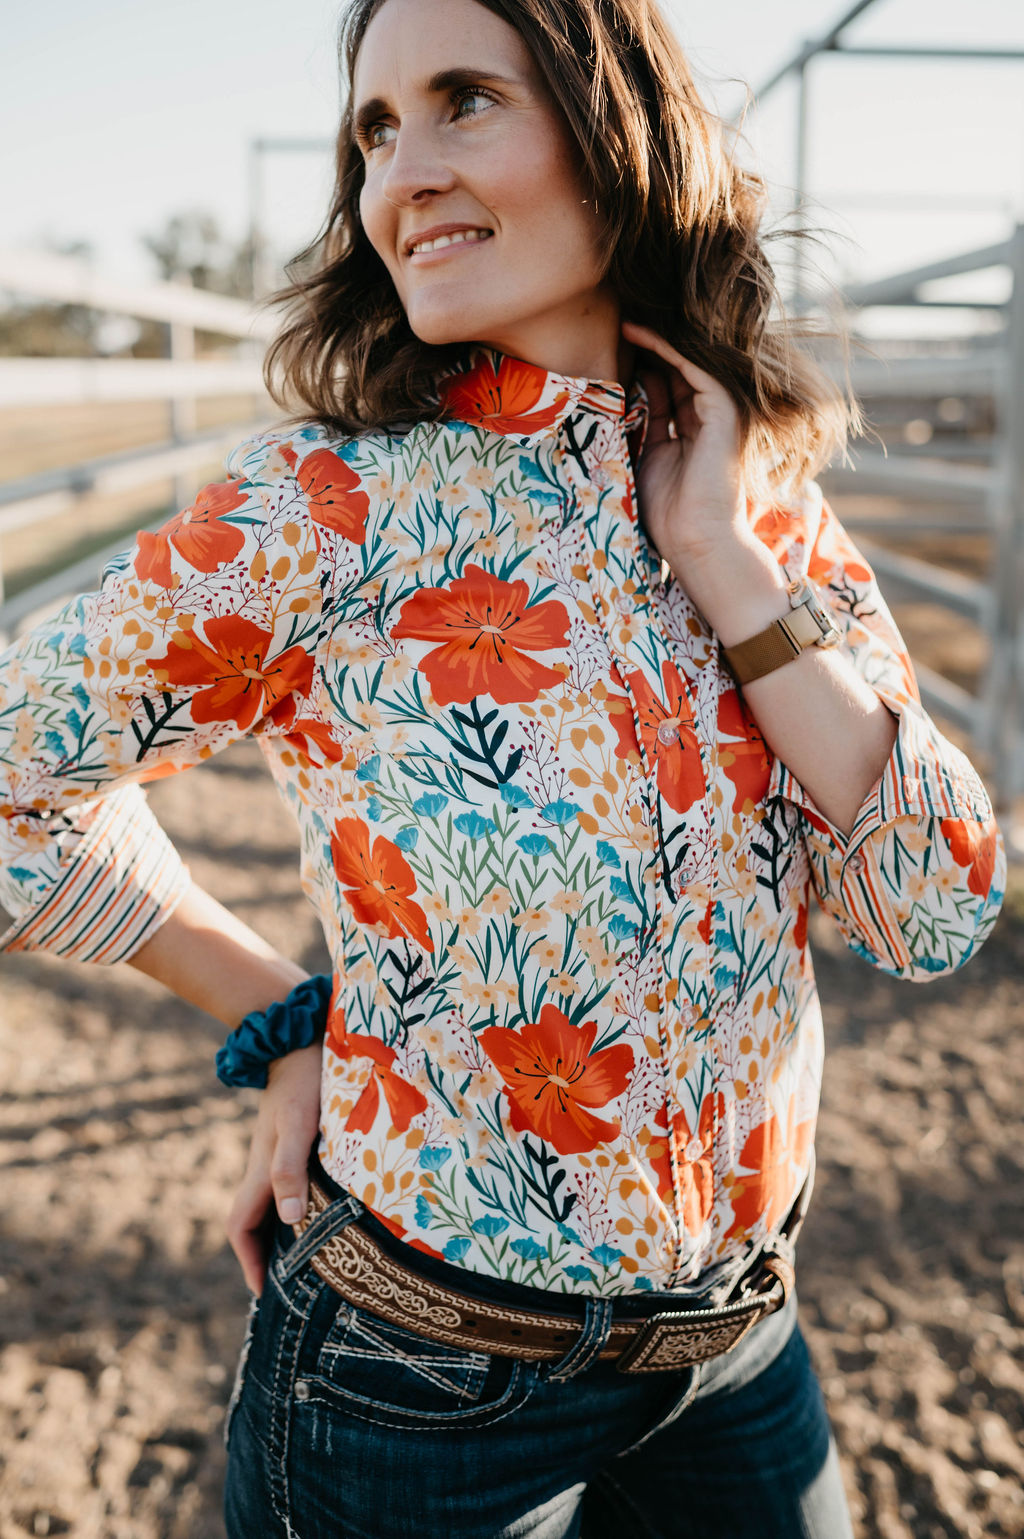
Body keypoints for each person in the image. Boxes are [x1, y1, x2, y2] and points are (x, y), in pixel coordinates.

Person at [0, 0, 1005, 1533]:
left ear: (622, 141)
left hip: (739, 1348)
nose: (400, 170)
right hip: (418, 1390)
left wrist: (726, 563)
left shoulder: (754, 491)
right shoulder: (328, 509)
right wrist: (279, 1019)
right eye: (376, 129)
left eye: (465, 98)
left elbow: (932, 909)